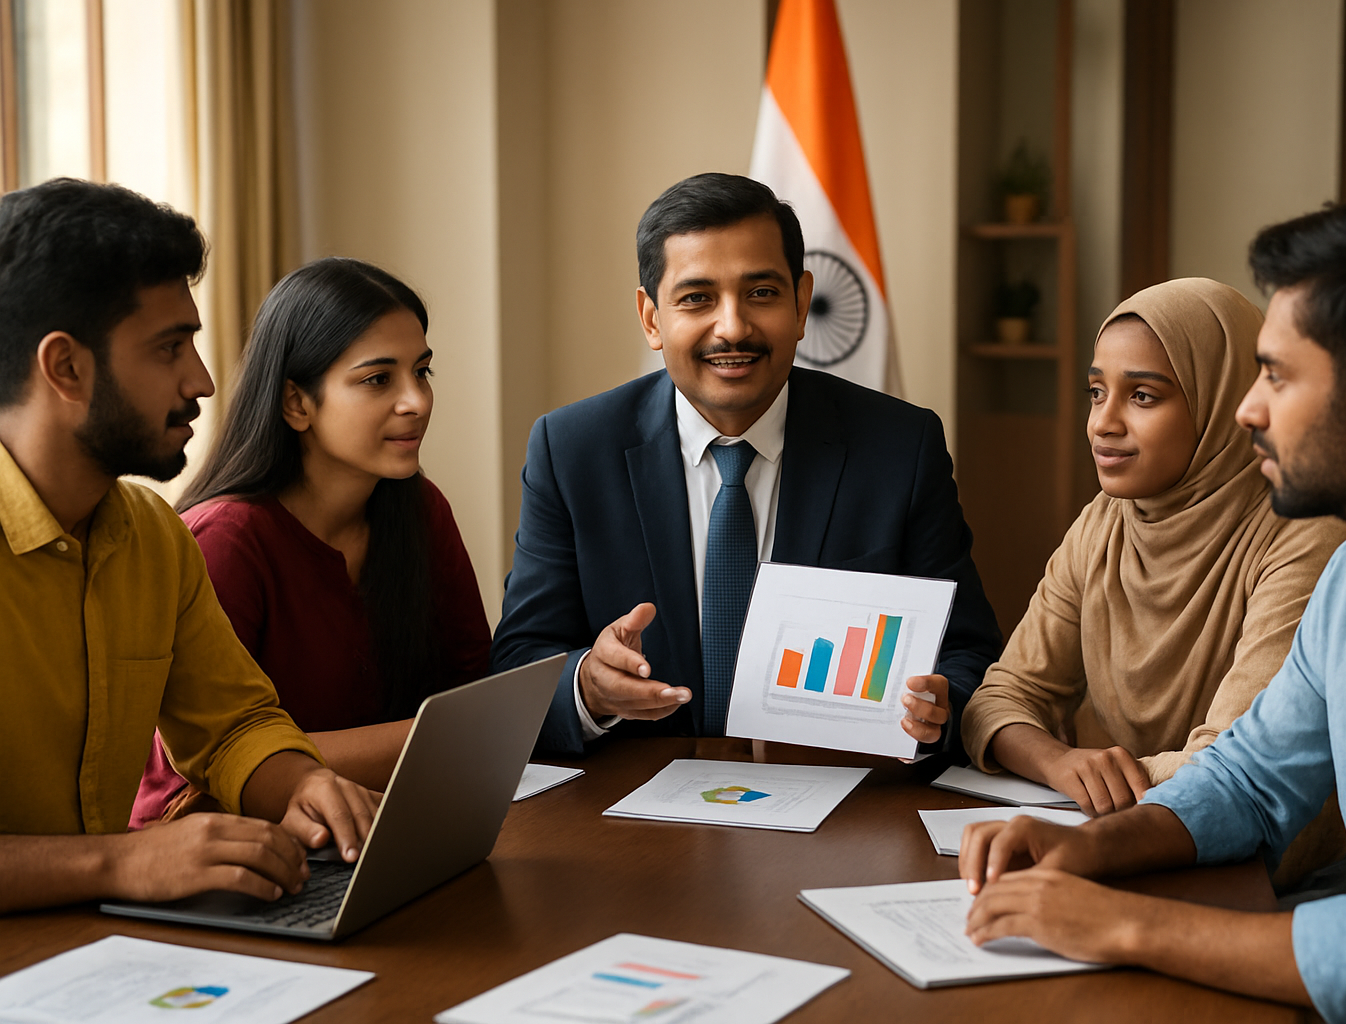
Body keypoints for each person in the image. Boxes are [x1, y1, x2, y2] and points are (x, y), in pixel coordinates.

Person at [959, 193, 1346, 1022]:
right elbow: (1249, 780)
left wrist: (1120, 923)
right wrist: (1087, 847)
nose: (1246, 409)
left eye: (1277, 376)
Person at [492, 172, 1001, 756]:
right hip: (632, 808)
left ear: (802, 302)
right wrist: (587, 687)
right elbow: (520, 662)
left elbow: (969, 654)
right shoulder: (572, 449)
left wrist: (940, 706)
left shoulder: (900, 447)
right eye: (696, 298)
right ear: (652, 318)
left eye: (761, 293)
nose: (732, 327)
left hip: (838, 800)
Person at [0, 179, 377, 915]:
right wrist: (115, 863)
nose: (202, 381)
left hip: (96, 956)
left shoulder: (150, 533)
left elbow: (232, 723)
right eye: (170, 348)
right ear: (66, 368)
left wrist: (303, 783)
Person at [960, 278, 1346, 879]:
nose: (1102, 424)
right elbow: (1000, 699)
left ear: (1223, 401)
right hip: (1115, 836)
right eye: (1096, 393)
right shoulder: (1102, 524)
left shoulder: (1304, 535)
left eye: (1143, 396)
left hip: (1265, 876)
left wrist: (1107, 776)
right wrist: (1062, 764)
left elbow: (1233, 764)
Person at [131, 258, 490, 826]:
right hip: (217, 845)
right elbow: (211, 764)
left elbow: (474, 694)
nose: (416, 401)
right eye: (378, 379)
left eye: (422, 371)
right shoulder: (225, 540)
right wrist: (451, 734)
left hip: (382, 822)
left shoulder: (419, 510)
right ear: (296, 402)